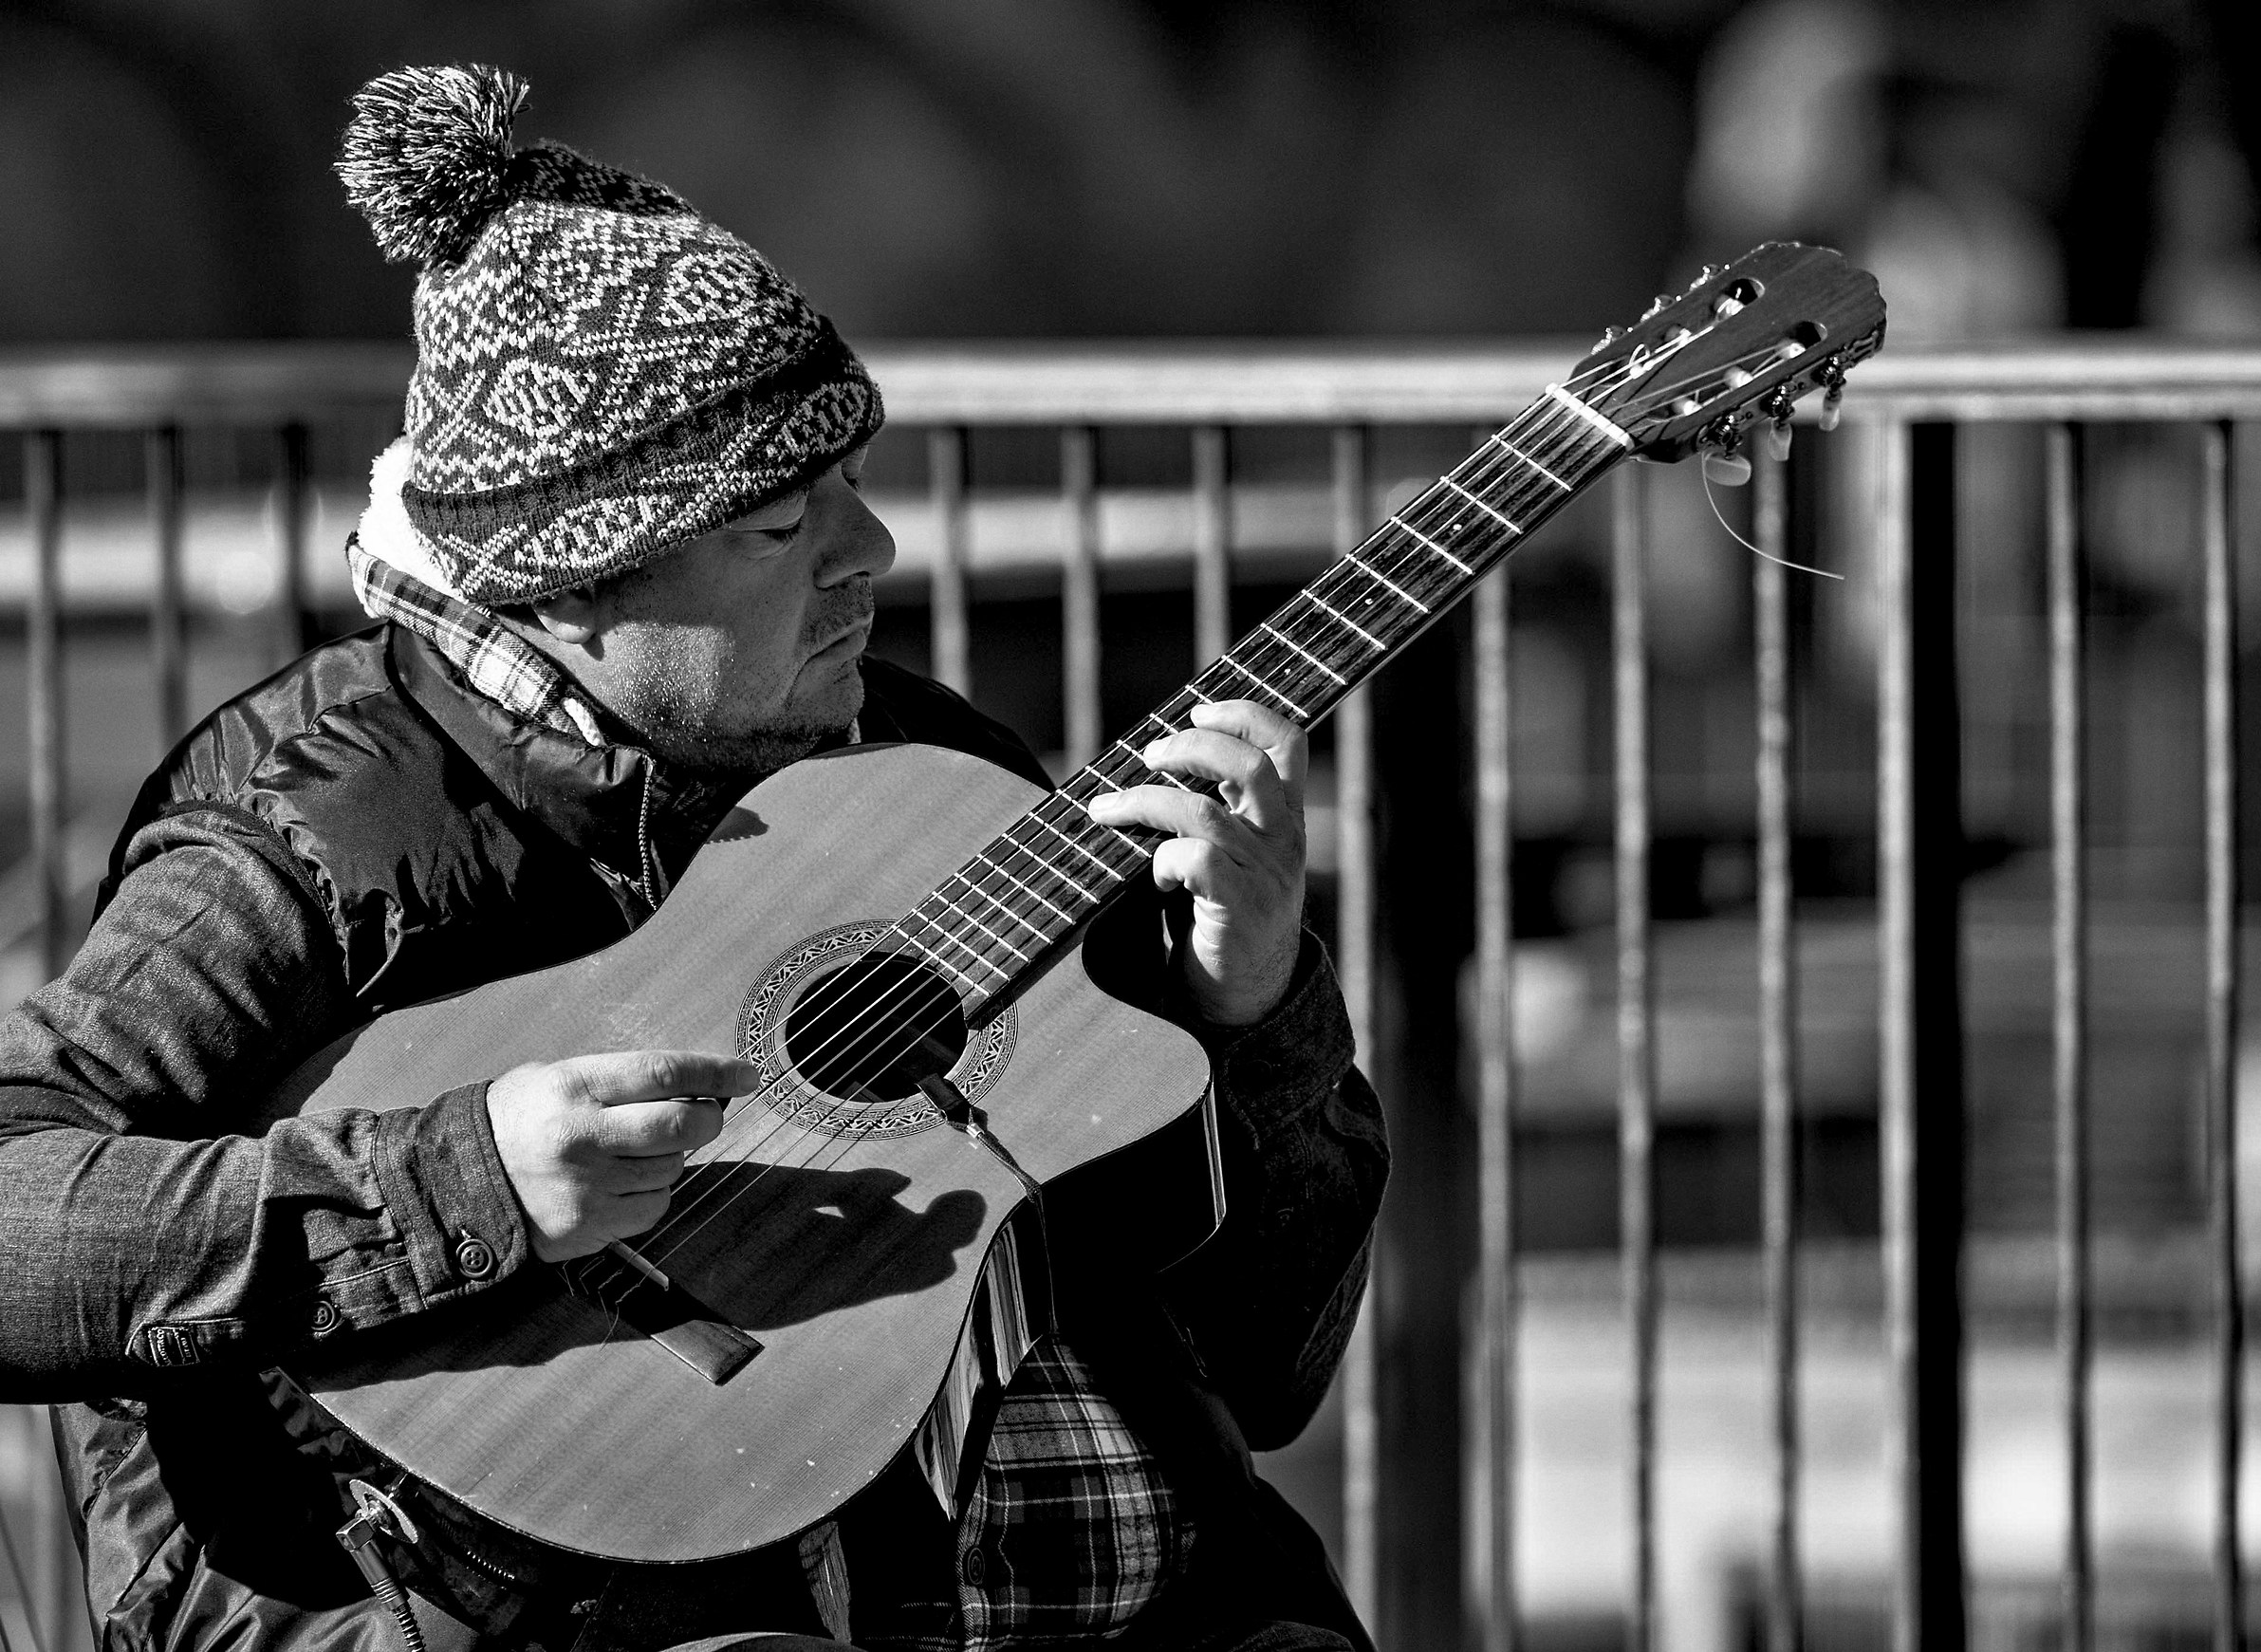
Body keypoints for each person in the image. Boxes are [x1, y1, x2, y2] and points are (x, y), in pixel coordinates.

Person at [0, 65, 1385, 1652]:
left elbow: (1267, 1364)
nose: (874, 555)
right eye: (784, 525)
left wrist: (1261, 1009)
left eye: (852, 487)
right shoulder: (311, 826)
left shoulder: (935, 778)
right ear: (579, 583)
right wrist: (459, 1179)